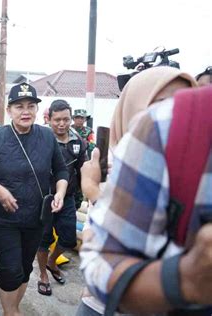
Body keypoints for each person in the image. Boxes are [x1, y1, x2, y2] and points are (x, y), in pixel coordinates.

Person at [78, 66, 198, 315]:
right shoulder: (119, 163)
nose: (173, 115)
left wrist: (92, 191)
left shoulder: (197, 171)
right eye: (162, 104)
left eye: (183, 104)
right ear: (131, 107)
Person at [0, 82, 68, 315]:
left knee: (24, 269)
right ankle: (11, 312)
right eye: (19, 106)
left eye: (31, 106)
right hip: (4, 219)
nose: (25, 111)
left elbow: (61, 171)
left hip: (36, 217)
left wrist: (60, 193)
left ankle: (11, 309)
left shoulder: (47, 136)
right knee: (10, 269)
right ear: (9, 110)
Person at [36, 99, 87, 295]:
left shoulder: (78, 141)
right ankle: (43, 274)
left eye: (66, 119)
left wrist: (85, 195)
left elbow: (82, 169)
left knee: (68, 239)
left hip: (68, 198)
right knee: (44, 239)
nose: (62, 124)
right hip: (45, 198)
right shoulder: (41, 139)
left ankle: (51, 262)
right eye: (57, 120)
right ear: (49, 119)